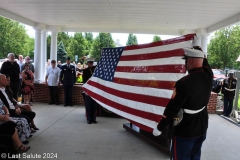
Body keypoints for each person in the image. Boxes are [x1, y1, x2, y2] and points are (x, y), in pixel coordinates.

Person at [153, 47, 213, 160]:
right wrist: (200, 52)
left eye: (186, 60)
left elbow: (172, 108)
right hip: (202, 125)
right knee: (195, 155)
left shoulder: (183, 83)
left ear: (189, 61)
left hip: (186, 129)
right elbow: (206, 64)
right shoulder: (209, 75)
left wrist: (160, 127)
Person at [82, 58, 97, 124]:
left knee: (94, 105)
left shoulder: (96, 70)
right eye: (89, 63)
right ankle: (89, 119)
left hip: (95, 90)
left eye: (91, 63)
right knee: (88, 105)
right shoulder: (85, 71)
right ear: (88, 63)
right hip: (88, 90)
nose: (90, 64)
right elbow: (84, 81)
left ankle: (93, 119)